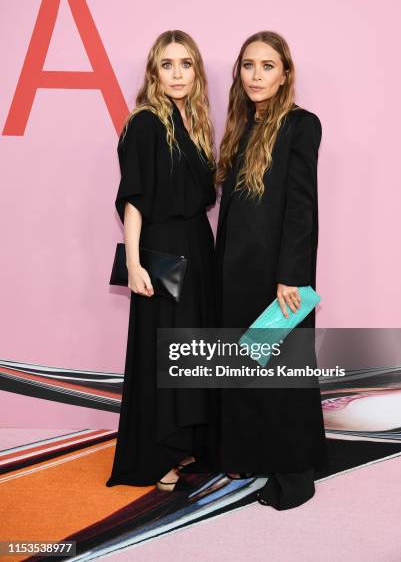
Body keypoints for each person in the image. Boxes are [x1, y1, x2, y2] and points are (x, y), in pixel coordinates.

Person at [214, 31, 328, 510]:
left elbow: (301, 207)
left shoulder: (302, 125)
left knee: (283, 374)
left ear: (285, 75)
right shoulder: (241, 126)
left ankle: (295, 475)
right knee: (246, 368)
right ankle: (255, 454)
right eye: (248, 65)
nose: (256, 75)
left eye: (267, 66)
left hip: (278, 276)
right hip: (235, 271)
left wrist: (292, 276)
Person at [105, 30, 217, 492]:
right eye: (167, 64)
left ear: (196, 72)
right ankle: (157, 456)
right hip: (163, 252)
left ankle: (185, 440)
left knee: (189, 349)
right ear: (154, 71)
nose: (177, 73)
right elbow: (135, 201)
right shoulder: (146, 122)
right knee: (163, 350)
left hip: (197, 247)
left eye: (185, 64)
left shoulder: (192, 122)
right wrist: (134, 264)